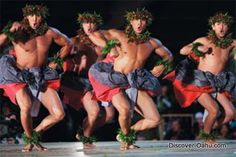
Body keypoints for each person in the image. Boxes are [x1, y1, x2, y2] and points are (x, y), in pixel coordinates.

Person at [89, 8, 173, 150]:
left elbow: (168, 55)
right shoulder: (120, 35)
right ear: (131, 22)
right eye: (136, 20)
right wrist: (108, 46)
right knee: (125, 109)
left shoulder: (152, 42)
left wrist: (163, 65)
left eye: (143, 20)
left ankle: (125, 134)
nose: (139, 23)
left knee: (155, 119)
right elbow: (94, 34)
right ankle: (126, 143)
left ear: (147, 23)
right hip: (116, 81)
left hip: (135, 81)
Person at [0, 4, 72, 152]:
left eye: (38, 15)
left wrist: (55, 63)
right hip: (19, 75)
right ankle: (29, 140)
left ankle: (33, 136)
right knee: (25, 106)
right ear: (26, 16)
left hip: (40, 75)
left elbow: (68, 44)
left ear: (42, 17)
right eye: (31, 15)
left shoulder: (50, 32)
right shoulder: (18, 31)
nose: (34, 19)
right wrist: (8, 32)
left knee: (59, 114)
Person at [165, 12, 236, 143]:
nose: (221, 27)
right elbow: (183, 50)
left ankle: (207, 129)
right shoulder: (204, 40)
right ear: (213, 26)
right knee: (214, 110)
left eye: (224, 24)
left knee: (231, 112)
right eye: (218, 24)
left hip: (217, 83)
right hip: (200, 82)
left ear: (228, 27)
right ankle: (208, 137)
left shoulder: (231, 43)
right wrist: (197, 49)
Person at [60, 12, 116, 149]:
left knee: (109, 117)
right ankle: (86, 139)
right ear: (82, 25)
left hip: (100, 80)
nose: (89, 26)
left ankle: (83, 132)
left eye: (92, 23)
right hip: (81, 82)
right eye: (86, 23)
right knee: (94, 112)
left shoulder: (103, 41)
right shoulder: (75, 41)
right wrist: (69, 56)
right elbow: (60, 58)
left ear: (97, 24)